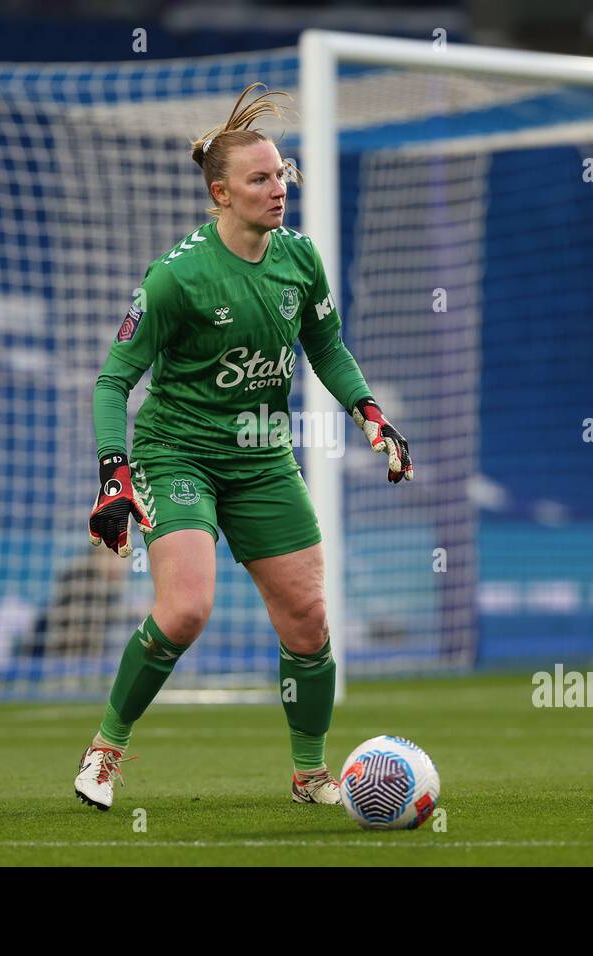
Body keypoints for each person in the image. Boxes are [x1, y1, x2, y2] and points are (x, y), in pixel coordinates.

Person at [75, 83, 413, 811]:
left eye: (283, 173)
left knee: (308, 618)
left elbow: (327, 346)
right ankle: (105, 750)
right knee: (188, 609)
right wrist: (115, 476)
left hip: (262, 458)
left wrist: (371, 415)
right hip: (179, 455)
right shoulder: (178, 276)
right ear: (221, 192)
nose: (278, 187)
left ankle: (309, 775)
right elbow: (112, 383)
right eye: (260, 178)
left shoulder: (299, 259)